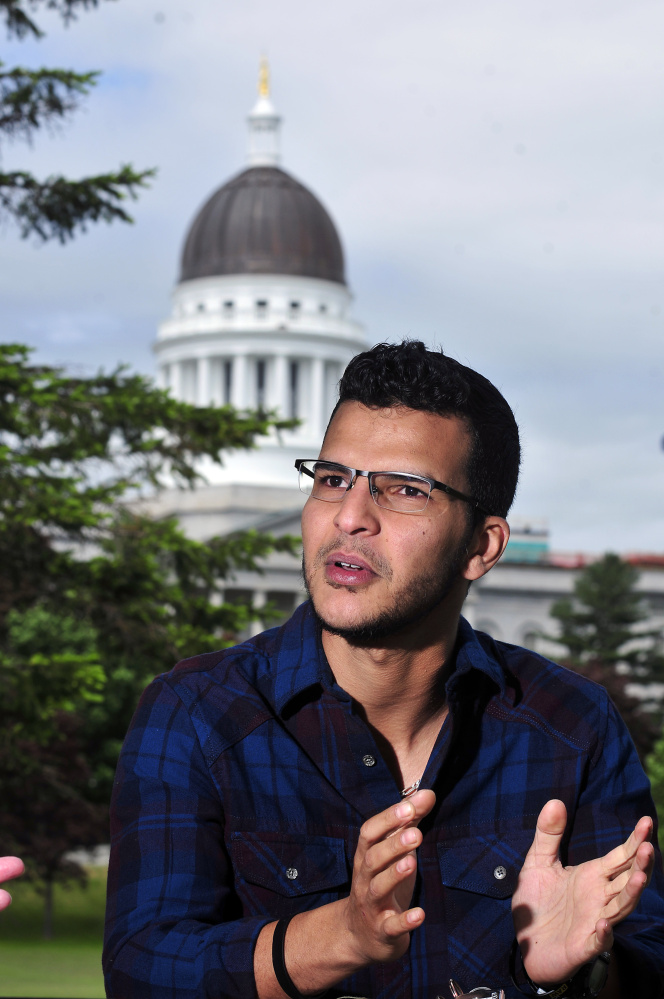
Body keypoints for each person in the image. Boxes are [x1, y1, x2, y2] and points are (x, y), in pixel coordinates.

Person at [103, 341, 664, 999]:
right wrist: (336, 936)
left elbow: (645, 962)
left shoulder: (572, 725)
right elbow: (144, 967)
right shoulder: (196, 713)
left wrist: (574, 971)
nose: (349, 517)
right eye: (333, 478)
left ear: (482, 546)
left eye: (404, 489)